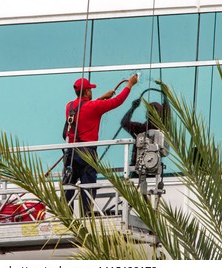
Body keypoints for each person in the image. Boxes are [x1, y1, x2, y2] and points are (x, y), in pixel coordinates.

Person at [63, 74, 138, 215]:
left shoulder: (69, 107)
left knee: (69, 183)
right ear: (86, 92)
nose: (92, 91)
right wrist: (129, 85)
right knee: (88, 185)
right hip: (87, 152)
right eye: (90, 90)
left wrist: (102, 98)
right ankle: (87, 214)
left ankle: (66, 214)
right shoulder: (94, 107)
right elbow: (118, 101)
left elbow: (85, 108)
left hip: (71, 152)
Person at [121, 97, 168, 178]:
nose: (152, 114)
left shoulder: (160, 130)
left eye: (154, 111)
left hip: (153, 169)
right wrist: (133, 108)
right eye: (150, 111)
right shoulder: (140, 128)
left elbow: (124, 123)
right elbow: (124, 123)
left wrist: (165, 96)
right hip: (139, 169)